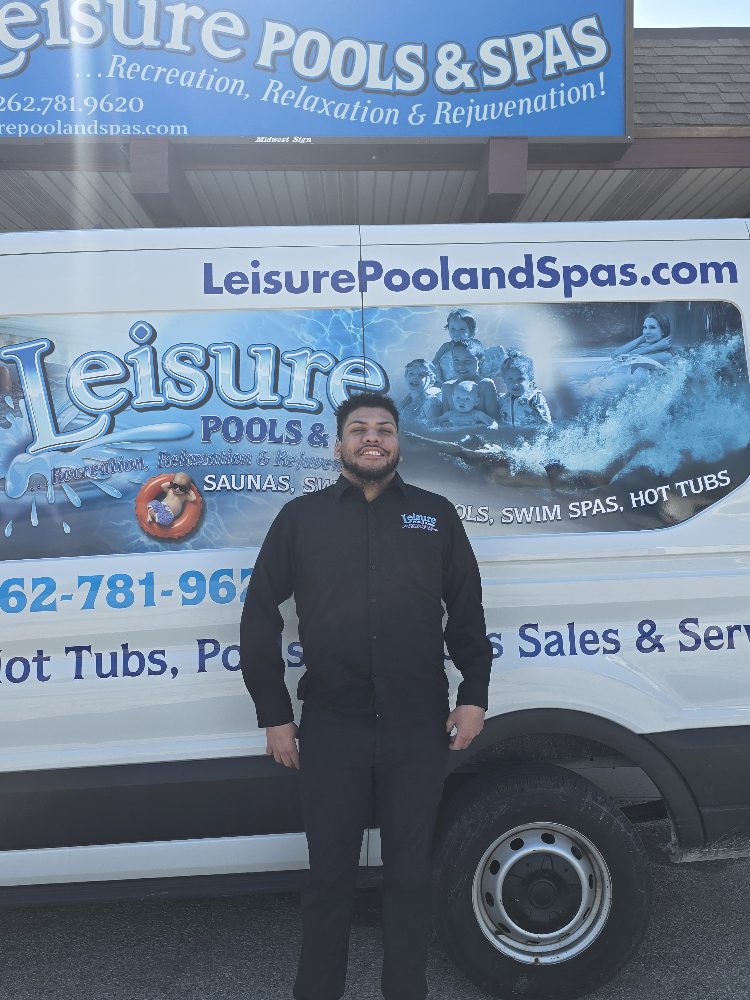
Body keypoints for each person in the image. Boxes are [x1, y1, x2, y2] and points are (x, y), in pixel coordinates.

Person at [240, 392, 491, 1000]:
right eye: (359, 430)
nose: (371, 438)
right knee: (329, 881)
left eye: (384, 429)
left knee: (409, 878)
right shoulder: (301, 520)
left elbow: (466, 610)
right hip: (332, 726)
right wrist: (274, 715)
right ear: (339, 445)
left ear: (399, 442)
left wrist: (474, 694)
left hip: (416, 727)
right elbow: (258, 616)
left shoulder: (435, 514)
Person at [439, 341, 500, 420]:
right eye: (456, 360)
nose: (461, 365)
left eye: (467, 361)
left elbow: (495, 422)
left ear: (480, 362)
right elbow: (444, 422)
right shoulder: (447, 387)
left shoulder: (485, 385)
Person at [498, 350, 552, 428]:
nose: (515, 384)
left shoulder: (535, 398)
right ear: (504, 380)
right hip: (510, 437)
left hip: (530, 436)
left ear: (530, 378)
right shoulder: (502, 400)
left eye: (520, 379)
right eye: (510, 379)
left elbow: (546, 423)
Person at [431, 308, 488, 382]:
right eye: (453, 329)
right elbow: (434, 363)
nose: (456, 333)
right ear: (448, 329)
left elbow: (481, 364)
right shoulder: (446, 347)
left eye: (461, 329)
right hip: (448, 382)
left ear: (471, 331)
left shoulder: (474, 346)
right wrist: (440, 379)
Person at [431, 380, 498, 429]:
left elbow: (492, 422)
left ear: (476, 401)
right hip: (454, 438)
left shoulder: (476, 414)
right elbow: (437, 420)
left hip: (472, 439)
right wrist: (431, 423)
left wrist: (493, 426)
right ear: (453, 398)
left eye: (467, 399)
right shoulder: (449, 414)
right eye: (458, 398)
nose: (462, 402)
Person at [399, 358, 442, 427]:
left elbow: (435, 430)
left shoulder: (431, 402)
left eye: (421, 375)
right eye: (411, 373)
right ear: (405, 376)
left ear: (432, 380)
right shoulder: (408, 399)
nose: (414, 378)